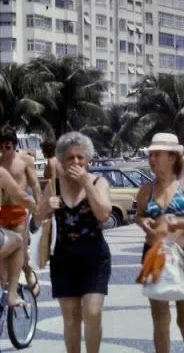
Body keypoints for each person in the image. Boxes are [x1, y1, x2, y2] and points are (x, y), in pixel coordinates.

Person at [36, 132, 111, 353]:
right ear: (61, 160)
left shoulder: (99, 182)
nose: (76, 162)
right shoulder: (54, 185)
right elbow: (38, 217)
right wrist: (47, 206)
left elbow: (104, 215)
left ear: (87, 159)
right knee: (70, 319)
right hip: (63, 259)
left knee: (93, 312)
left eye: (80, 157)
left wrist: (87, 184)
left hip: (94, 258)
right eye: (70, 158)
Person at [136, 133, 184, 353]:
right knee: (159, 318)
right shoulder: (146, 190)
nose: (152, 159)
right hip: (155, 254)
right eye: (151, 154)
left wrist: (178, 222)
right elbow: (139, 214)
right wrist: (143, 221)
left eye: (158, 154)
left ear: (173, 157)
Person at [0, 126, 42, 299]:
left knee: (22, 254)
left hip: (19, 212)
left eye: (7, 147)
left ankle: (29, 273)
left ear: (14, 145)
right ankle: (6, 293)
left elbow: (35, 186)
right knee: (3, 257)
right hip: (3, 212)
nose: (4, 151)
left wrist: (39, 210)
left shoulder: (25, 161)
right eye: (1, 147)